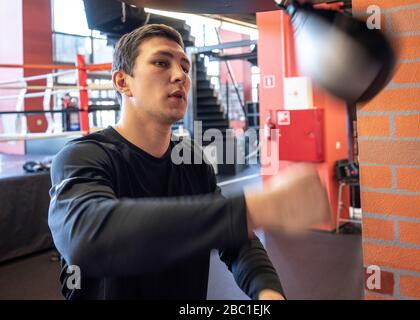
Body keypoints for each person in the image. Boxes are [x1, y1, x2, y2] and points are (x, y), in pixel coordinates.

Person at [48, 24, 330, 300]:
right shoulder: (83, 156)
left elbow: (235, 241)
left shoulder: (192, 161)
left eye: (185, 67)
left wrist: (267, 290)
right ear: (123, 82)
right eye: (161, 62)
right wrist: (256, 207)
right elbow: (87, 236)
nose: (179, 75)